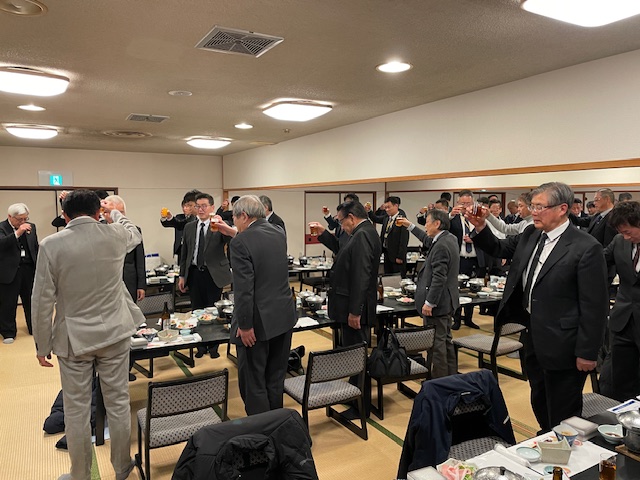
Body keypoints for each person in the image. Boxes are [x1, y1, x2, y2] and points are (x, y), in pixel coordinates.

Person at [467, 182, 608, 432]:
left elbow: (594, 305)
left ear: (562, 209)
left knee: (563, 407)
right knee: (539, 397)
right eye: (532, 206)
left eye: (540, 207)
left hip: (565, 342)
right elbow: (500, 247)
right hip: (533, 334)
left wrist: (587, 352)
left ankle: (564, 448)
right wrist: (480, 227)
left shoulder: (585, 247)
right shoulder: (532, 234)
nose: (533, 212)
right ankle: (546, 438)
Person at [32, 190, 143, 480]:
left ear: (65, 216)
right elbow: (134, 231)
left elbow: (41, 299)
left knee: (76, 409)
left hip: (74, 339)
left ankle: (80, 474)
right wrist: (113, 211)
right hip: (115, 333)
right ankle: (122, 466)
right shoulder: (116, 235)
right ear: (97, 213)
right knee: (118, 403)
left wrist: (42, 345)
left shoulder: (51, 244)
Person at [225, 195, 296, 415]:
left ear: (244, 216)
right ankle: (275, 425)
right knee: (275, 378)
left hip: (257, 323)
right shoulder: (278, 232)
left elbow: (244, 289)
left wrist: (245, 326)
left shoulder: (239, 242)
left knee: (253, 382)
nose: (234, 223)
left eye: (234, 218)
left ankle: (260, 429)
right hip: (283, 317)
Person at [322, 200, 381, 418]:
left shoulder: (363, 235)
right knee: (354, 355)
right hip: (353, 305)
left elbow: (361, 275)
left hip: (356, 309)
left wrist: (355, 311)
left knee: (357, 357)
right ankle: (354, 397)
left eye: (341, 221)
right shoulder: (363, 232)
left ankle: (360, 407)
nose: (341, 226)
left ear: (351, 218)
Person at [400, 210, 459, 377]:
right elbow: (426, 239)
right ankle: (451, 377)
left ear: (437, 224)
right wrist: (410, 226)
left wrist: (429, 303)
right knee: (445, 341)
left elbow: (439, 277)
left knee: (437, 344)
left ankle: (439, 382)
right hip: (448, 300)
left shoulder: (441, 245)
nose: (425, 225)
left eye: (427, 222)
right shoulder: (449, 238)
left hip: (438, 304)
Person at [178, 192, 232, 358]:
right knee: (197, 310)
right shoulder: (189, 227)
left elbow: (230, 240)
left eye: (204, 206)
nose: (200, 209)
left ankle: (213, 345)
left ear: (212, 207)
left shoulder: (219, 225)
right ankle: (200, 345)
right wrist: (182, 276)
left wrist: (223, 225)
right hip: (195, 273)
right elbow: (185, 253)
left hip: (213, 273)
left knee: (213, 310)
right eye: (198, 206)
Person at [604, 201, 640, 401]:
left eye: (628, 232)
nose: (625, 237)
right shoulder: (619, 241)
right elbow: (598, 261)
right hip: (623, 320)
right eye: (621, 232)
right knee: (620, 379)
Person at [0, 203, 38, 342]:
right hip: (9, 271)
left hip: (28, 269)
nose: (23, 222)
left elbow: (35, 247)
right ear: (10, 216)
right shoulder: (2, 227)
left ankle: (34, 328)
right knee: (8, 303)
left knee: (31, 301)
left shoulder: (31, 227)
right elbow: (1, 244)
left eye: (25, 218)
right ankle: (8, 332)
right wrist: (17, 233)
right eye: (19, 219)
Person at [449, 190, 485, 329]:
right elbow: (443, 227)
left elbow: (486, 234)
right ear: (458, 202)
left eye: (468, 203)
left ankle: (469, 318)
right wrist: (450, 215)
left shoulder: (478, 217)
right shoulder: (454, 218)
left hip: (475, 259)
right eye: (462, 203)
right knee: (458, 289)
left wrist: (474, 239)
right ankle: (456, 319)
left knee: (473, 289)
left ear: (473, 202)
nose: (465, 206)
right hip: (459, 259)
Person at [104, 195, 146, 302]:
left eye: (121, 212)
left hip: (129, 280)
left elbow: (140, 260)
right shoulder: (100, 230)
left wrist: (141, 285)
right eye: (115, 212)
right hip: (107, 283)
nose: (119, 215)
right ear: (105, 213)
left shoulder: (134, 230)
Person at [368, 196, 409, 276]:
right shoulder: (387, 218)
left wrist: (400, 256)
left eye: (389, 207)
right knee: (387, 277)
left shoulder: (402, 219)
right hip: (387, 254)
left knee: (397, 278)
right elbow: (376, 219)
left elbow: (404, 239)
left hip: (396, 256)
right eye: (385, 207)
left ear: (396, 206)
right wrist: (369, 211)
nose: (387, 210)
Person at [160, 189, 199, 263]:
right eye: (184, 206)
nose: (186, 208)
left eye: (189, 205)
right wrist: (168, 217)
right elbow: (176, 224)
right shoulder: (181, 217)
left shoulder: (206, 219)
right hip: (181, 249)